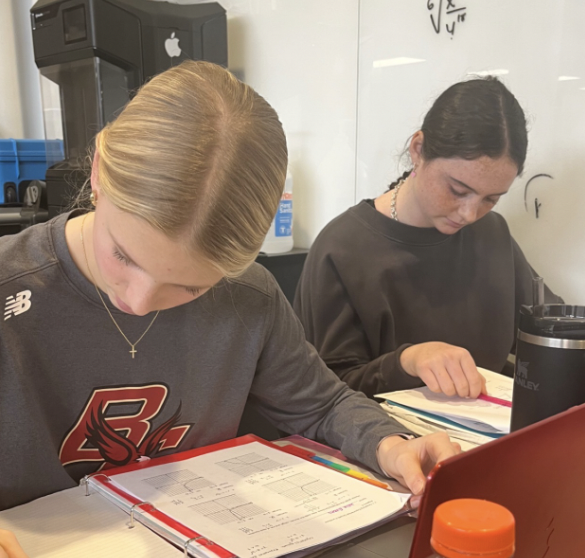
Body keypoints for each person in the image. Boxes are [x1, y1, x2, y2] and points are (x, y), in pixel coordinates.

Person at [0, 62, 458, 550]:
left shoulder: (249, 298)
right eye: (123, 256)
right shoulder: (12, 287)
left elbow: (322, 402)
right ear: (97, 174)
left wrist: (390, 445)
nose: (138, 301)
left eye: (188, 288)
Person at [294, 77, 561, 400]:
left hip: (486, 435)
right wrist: (407, 361)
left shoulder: (492, 234)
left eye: (491, 198)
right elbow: (321, 394)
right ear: (418, 150)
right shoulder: (342, 249)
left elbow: (551, 324)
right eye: (458, 190)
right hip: (386, 443)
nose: (469, 213)